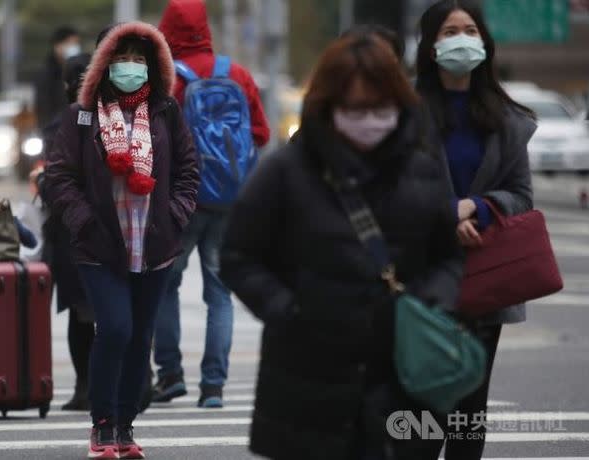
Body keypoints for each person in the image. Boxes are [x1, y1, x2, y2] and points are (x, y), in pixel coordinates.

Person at [219, 31, 464, 459]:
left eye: (380, 108)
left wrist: (431, 301)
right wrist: (289, 312)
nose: (369, 120)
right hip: (307, 376)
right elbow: (239, 255)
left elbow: (448, 257)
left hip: (401, 372)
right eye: (355, 109)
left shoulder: (421, 170)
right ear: (328, 106)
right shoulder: (285, 172)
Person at [45, 22, 199, 459]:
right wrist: (83, 221)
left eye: (137, 57)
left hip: (154, 244)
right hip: (101, 245)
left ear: (151, 64)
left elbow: (189, 170)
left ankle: (126, 428)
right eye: (120, 57)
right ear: (103, 63)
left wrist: (176, 214)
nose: (129, 66)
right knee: (114, 329)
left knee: (139, 338)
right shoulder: (82, 114)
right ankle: (102, 425)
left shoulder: (166, 110)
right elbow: (60, 176)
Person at [415, 1, 536, 459]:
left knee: (470, 407)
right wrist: (446, 216)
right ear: (430, 46)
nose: (462, 39)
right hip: (421, 279)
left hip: (486, 275)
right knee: (422, 409)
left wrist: (479, 208)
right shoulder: (404, 113)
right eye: (450, 31)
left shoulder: (506, 120)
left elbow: (521, 194)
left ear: (484, 43)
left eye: (470, 30)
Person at [152, 0, 270, 408]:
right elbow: (261, 133)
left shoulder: (167, 79)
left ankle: (169, 375)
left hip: (182, 200)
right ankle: (214, 387)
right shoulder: (235, 73)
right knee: (219, 293)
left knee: (165, 284)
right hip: (230, 198)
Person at [35, 52, 94, 412]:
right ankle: (90, 385)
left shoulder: (59, 125)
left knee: (80, 313)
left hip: (70, 232)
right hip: (92, 230)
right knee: (89, 312)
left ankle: (86, 386)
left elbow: (53, 184)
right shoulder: (110, 118)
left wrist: (42, 183)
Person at [34, 26, 81, 136]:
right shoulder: (46, 74)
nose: (74, 47)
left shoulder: (79, 71)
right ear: (57, 45)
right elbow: (43, 108)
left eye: (76, 43)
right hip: (54, 132)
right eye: (70, 43)